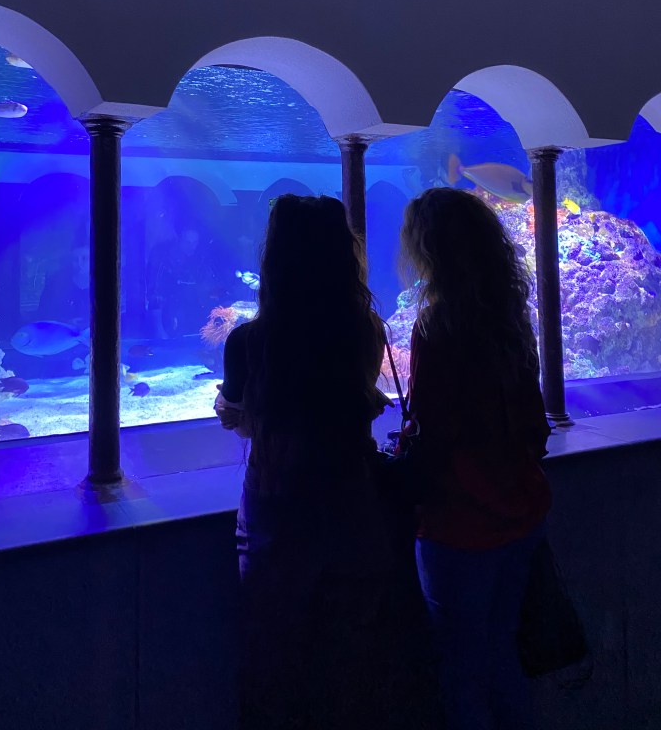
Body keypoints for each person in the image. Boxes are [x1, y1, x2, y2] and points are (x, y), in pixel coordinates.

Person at [214, 194, 398, 730]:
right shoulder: (366, 331)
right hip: (352, 503)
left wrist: (232, 409)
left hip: (278, 509)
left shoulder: (249, 341)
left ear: (275, 258)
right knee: (351, 668)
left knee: (273, 667)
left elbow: (245, 423)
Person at [399, 188, 552, 730]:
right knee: (502, 651)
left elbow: (434, 428)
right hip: (522, 512)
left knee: (462, 671)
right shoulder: (509, 319)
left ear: (430, 250)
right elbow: (534, 423)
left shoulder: (435, 328)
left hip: (459, 524)